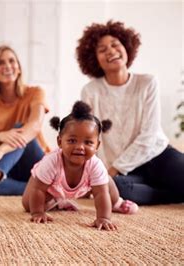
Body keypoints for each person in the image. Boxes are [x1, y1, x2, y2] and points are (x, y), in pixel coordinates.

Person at [77, 20, 184, 205]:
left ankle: (167, 185)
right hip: (125, 171)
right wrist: (100, 173)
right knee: (117, 189)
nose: (110, 51)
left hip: (158, 156)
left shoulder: (148, 83)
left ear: (126, 47)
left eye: (115, 45)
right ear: (95, 60)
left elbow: (149, 136)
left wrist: (112, 170)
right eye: (102, 50)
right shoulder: (90, 91)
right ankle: (174, 195)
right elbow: (90, 138)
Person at [22, 101, 138, 231]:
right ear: (60, 142)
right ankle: (58, 202)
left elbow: (100, 194)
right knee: (28, 205)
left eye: (88, 142)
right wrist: (37, 212)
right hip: (50, 187)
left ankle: (117, 202)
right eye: (72, 141)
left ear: (97, 146)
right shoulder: (50, 161)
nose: (79, 147)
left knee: (105, 181)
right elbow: (38, 189)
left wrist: (104, 218)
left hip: (85, 186)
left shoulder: (95, 164)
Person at [0, 45, 50, 201]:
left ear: (19, 68)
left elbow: (35, 127)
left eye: (11, 61)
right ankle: (40, 190)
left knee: (18, 128)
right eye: (0, 63)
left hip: (38, 164)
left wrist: (0, 151)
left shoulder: (36, 92)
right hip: (10, 167)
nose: (7, 66)